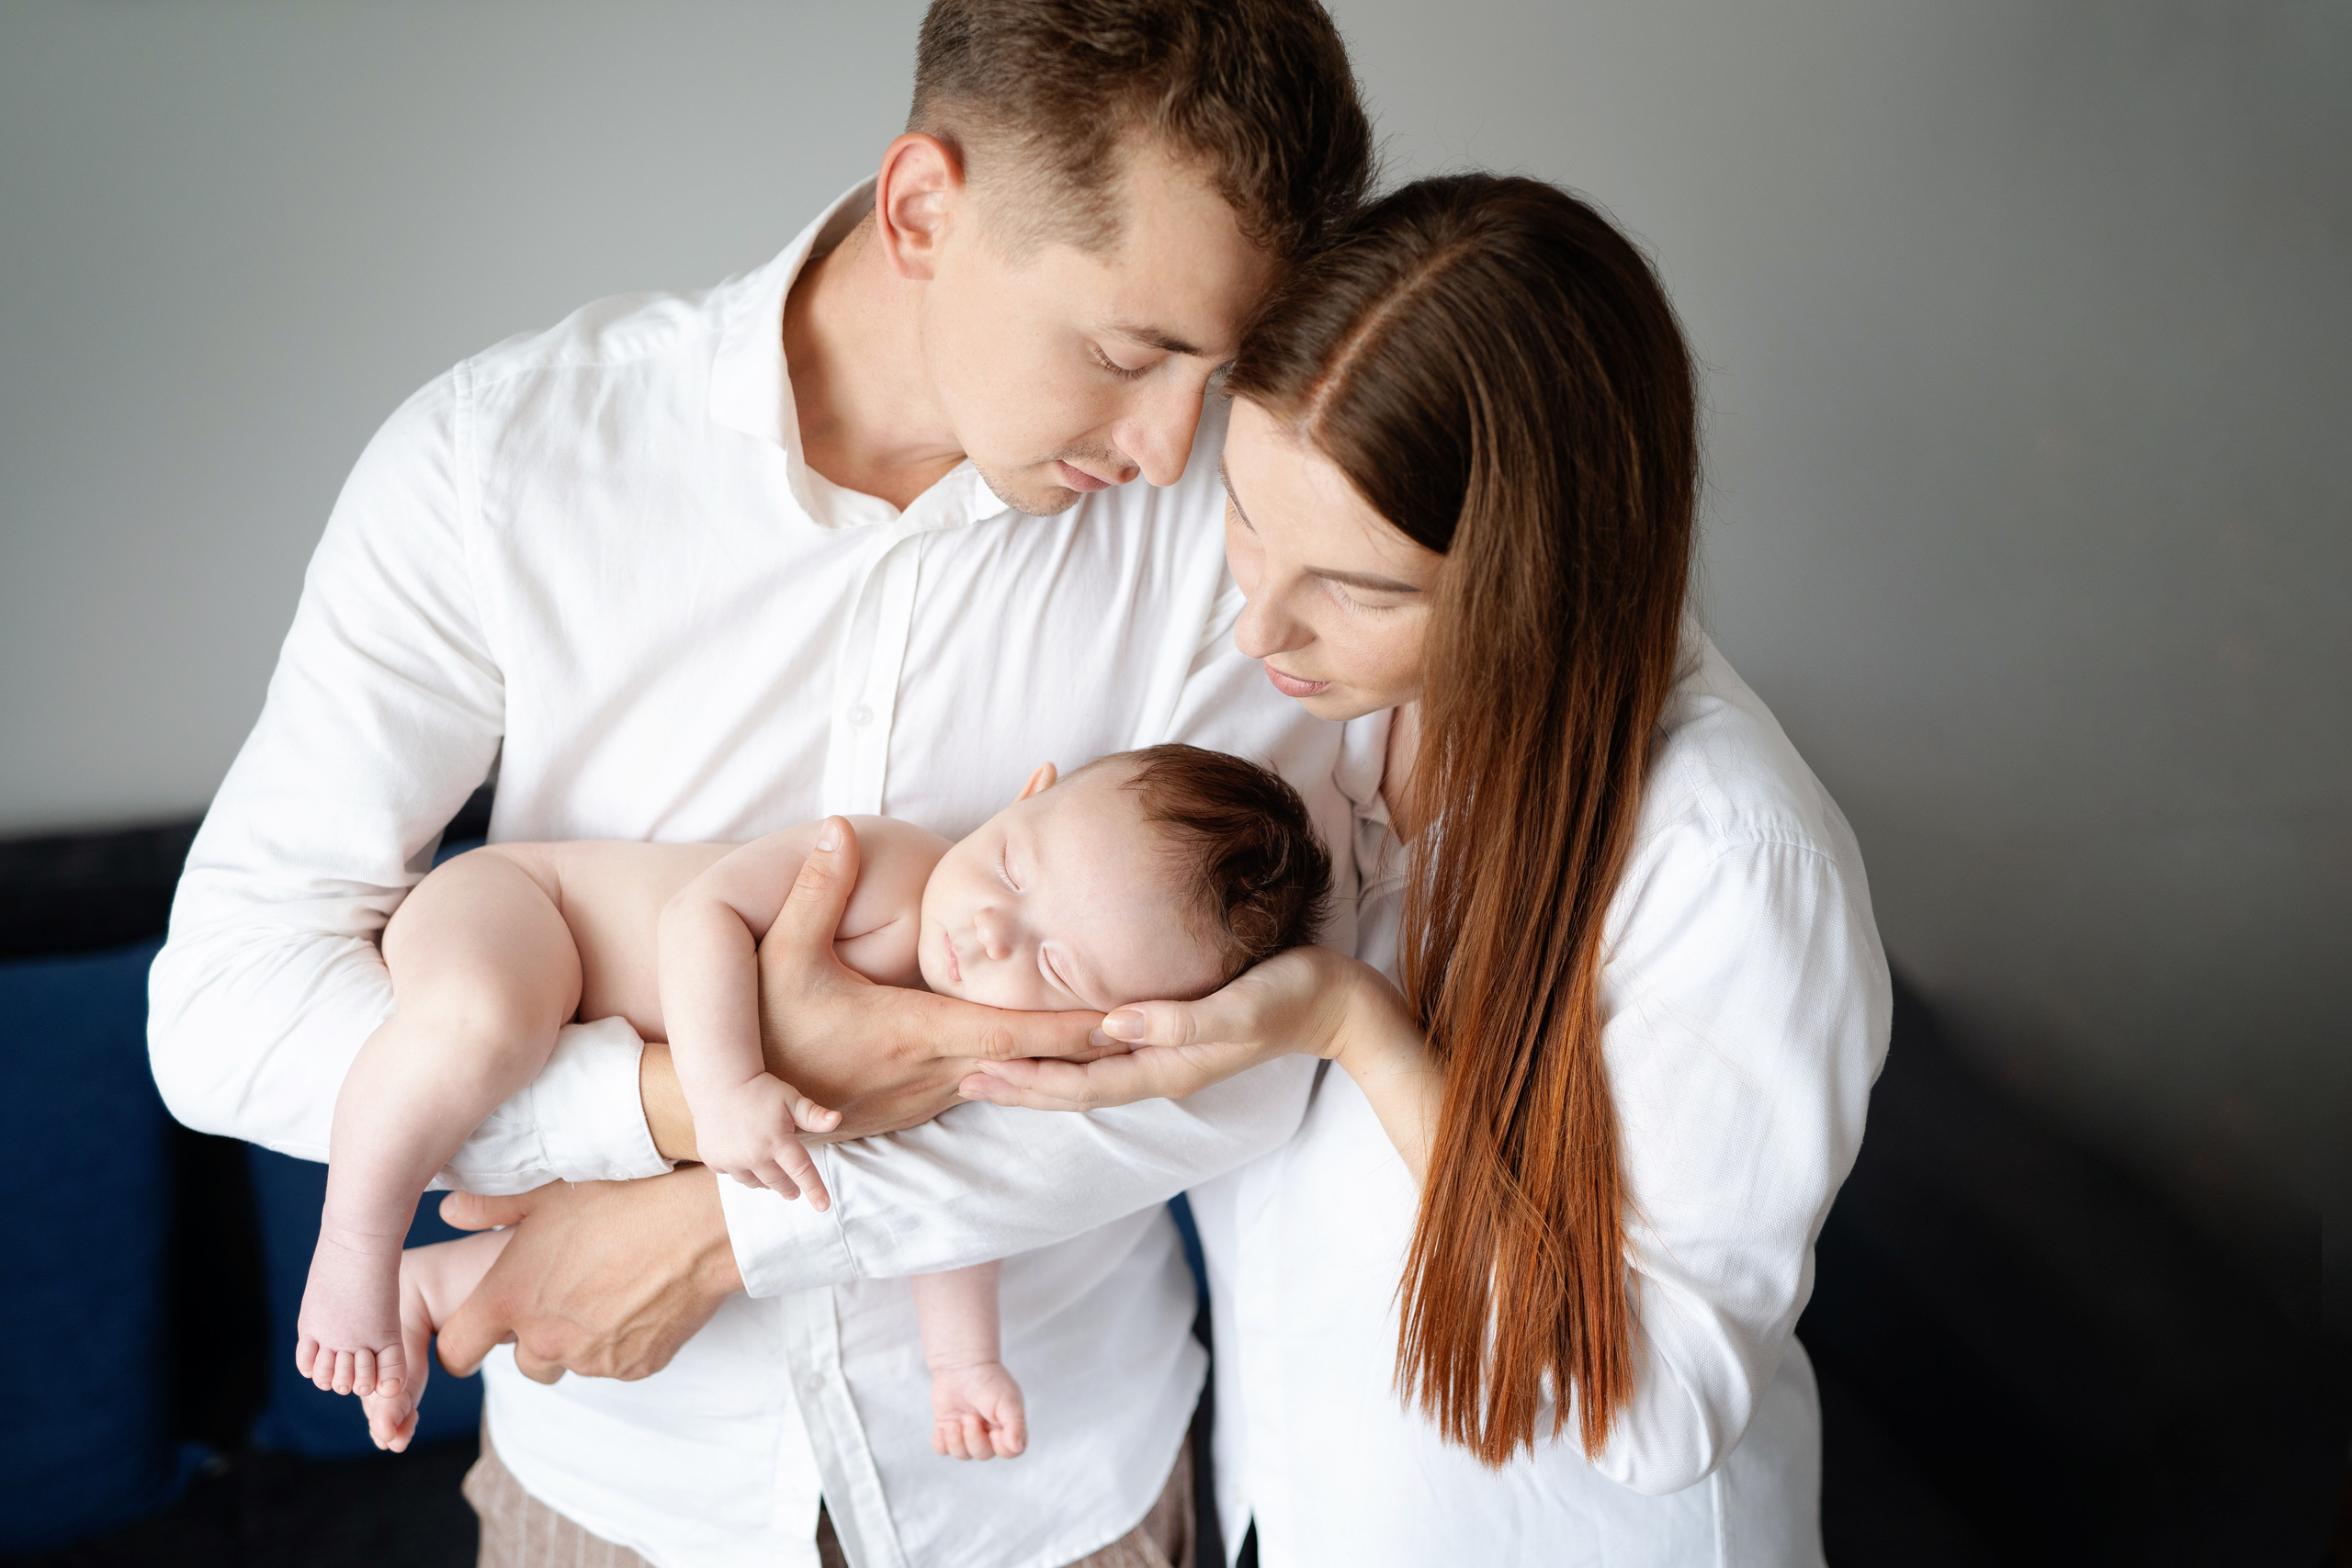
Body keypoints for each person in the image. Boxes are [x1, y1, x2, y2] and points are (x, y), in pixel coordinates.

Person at [149, 2, 1374, 1562]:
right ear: (925, 206)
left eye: (1218, 366)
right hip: (612, 1497)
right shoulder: (497, 465)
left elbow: (1256, 1050)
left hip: (1055, 1490)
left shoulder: (1238, 517)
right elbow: (222, 1010)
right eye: (1130, 353)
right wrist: (655, 1106)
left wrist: (722, 1226)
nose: (1165, 440)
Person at [961, 175, 1894, 1563]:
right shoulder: (1315, 720)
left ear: (1540, 579)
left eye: (1362, 584)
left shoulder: (1730, 866)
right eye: (1248, 517)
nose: (1257, 619)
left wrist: (1362, 1027)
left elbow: (1658, 1409)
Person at [305, 747, 1328, 1463]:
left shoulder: (975, 1042)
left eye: (1054, 964)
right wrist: (723, 1089)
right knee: (485, 1027)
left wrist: (962, 1361)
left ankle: (426, 1291)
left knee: (740, 1192)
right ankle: (353, 1242)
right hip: (530, 915)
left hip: (615, 1058)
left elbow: (956, 1208)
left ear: (1116, 1021)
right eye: (1013, 865)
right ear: (1027, 793)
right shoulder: (895, 870)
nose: (987, 933)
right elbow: (703, 914)